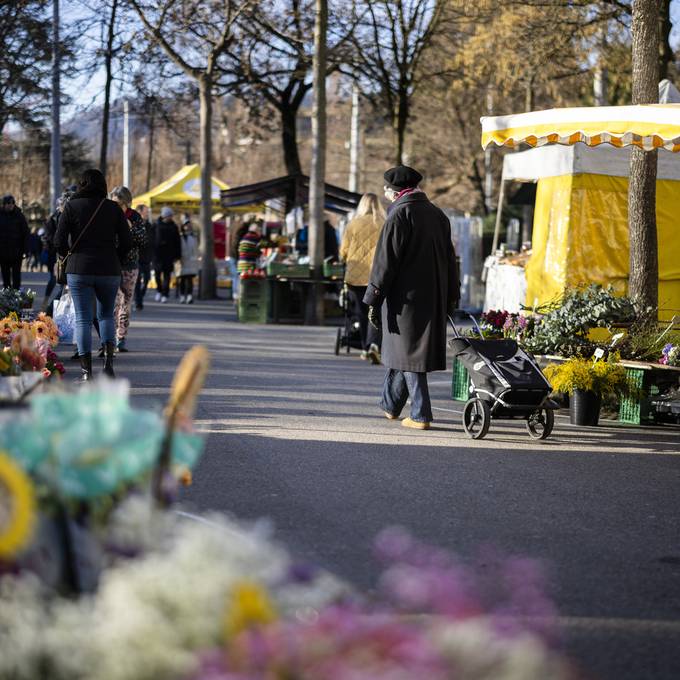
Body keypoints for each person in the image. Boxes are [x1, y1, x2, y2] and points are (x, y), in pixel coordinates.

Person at [363, 165, 460, 430]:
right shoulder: (438, 215)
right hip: (434, 296)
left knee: (409, 353)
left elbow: (385, 262)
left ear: (396, 192)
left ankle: (420, 413)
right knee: (401, 351)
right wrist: (453, 294)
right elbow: (451, 261)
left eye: (386, 189)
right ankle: (390, 405)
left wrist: (373, 297)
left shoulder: (399, 215)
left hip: (405, 299)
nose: (385, 193)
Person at [55, 168, 132, 381]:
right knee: (106, 315)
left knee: (83, 319)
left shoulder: (71, 207)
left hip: (79, 269)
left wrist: (68, 256)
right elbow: (127, 241)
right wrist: (116, 257)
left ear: (81, 184)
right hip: (109, 268)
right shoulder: (114, 209)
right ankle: (108, 365)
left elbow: (58, 241)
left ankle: (86, 372)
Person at [340, 193, 385, 364]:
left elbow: (343, 251)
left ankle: (366, 348)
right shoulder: (383, 224)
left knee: (360, 312)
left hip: (355, 277)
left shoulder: (353, 224)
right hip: (378, 276)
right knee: (376, 312)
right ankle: (375, 345)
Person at [111, 187, 147, 352]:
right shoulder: (108, 216)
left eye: (118, 204)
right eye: (113, 203)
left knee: (125, 302)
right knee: (112, 303)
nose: (115, 207)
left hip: (129, 265)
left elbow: (143, 239)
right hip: (110, 263)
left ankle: (121, 337)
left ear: (126, 203)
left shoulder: (134, 217)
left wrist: (129, 227)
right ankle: (109, 338)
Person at [0, 195, 29, 289]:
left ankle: (16, 296)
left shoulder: (19, 216)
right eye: (8, 203)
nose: (11, 205)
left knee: (16, 276)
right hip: (3, 253)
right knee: (5, 277)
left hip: (17, 252)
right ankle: (6, 296)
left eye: (12, 203)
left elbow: (26, 234)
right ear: (4, 204)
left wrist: (25, 251)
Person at [153, 206, 181, 303]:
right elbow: (151, 239)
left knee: (167, 275)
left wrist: (177, 256)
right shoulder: (156, 225)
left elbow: (178, 242)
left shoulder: (174, 227)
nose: (170, 217)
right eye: (169, 215)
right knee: (157, 275)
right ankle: (159, 291)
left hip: (169, 255)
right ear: (164, 216)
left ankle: (165, 293)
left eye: (171, 216)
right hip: (157, 255)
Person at [134, 204, 154, 310]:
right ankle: (138, 302)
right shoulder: (135, 224)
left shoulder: (150, 226)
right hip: (137, 257)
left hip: (147, 258)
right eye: (145, 211)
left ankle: (140, 296)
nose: (147, 214)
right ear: (140, 212)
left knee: (147, 279)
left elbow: (153, 241)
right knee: (137, 281)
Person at [178, 218, 199, 303]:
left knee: (190, 279)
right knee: (182, 279)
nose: (188, 226)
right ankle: (182, 295)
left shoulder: (193, 236)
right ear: (183, 226)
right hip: (182, 259)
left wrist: (196, 257)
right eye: (186, 224)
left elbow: (196, 248)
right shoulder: (179, 236)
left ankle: (190, 296)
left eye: (189, 225)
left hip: (191, 260)